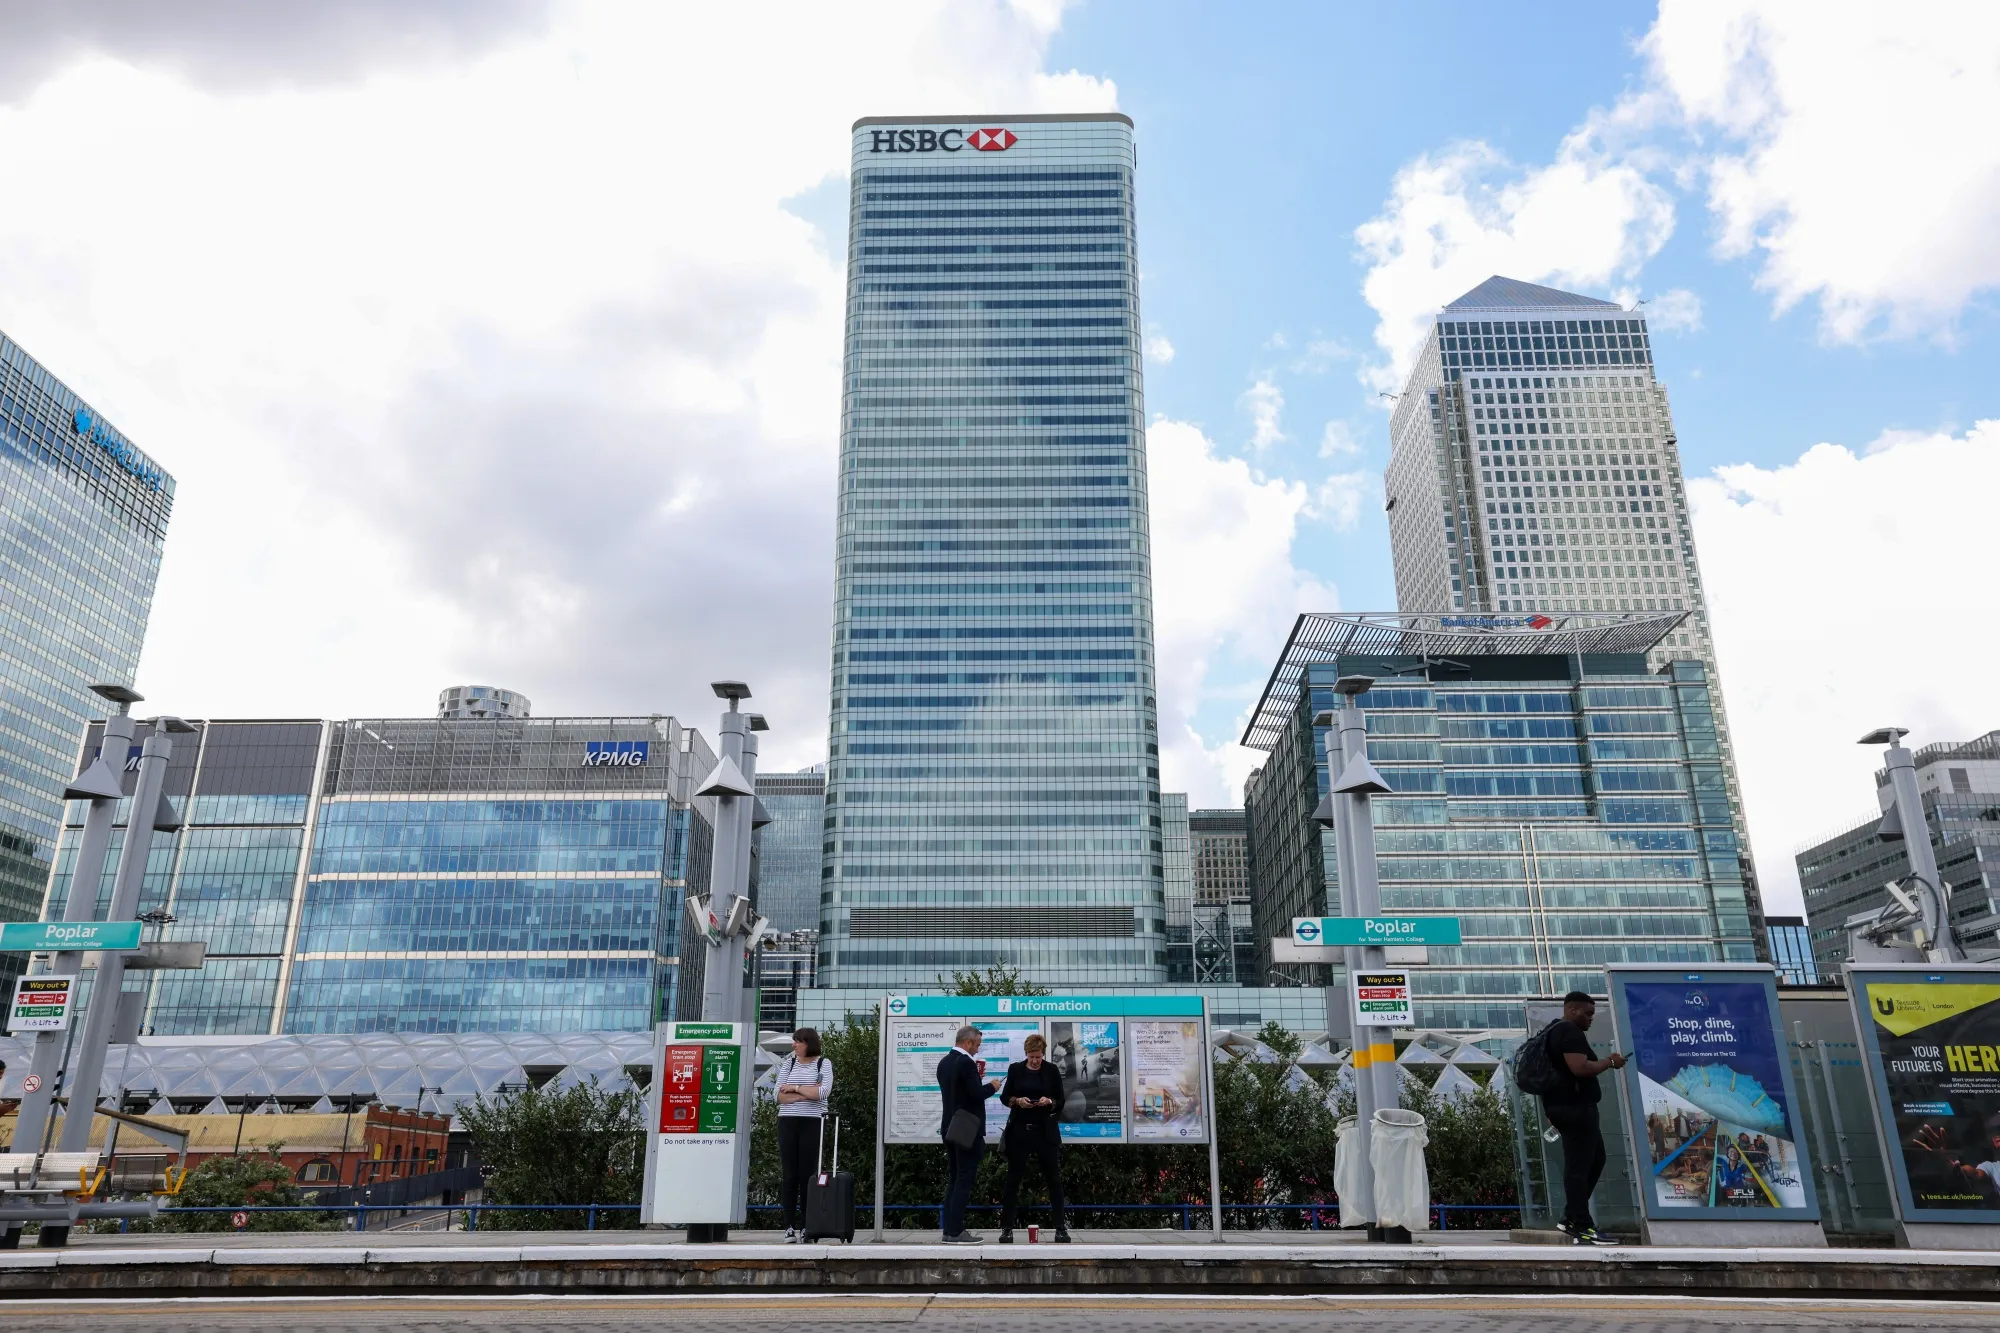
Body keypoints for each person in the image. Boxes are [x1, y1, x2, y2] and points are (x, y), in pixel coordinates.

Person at [1539, 991, 1626, 1245]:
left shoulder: (1553, 1031)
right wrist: (1610, 1061)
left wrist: (1551, 1110)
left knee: (1595, 1159)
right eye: (1587, 1013)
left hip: (1565, 1107)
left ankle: (1571, 1215)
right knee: (1579, 1166)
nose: (1591, 1018)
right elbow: (1580, 1068)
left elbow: (1553, 1075)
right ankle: (1582, 1225)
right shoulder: (1569, 1031)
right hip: (1576, 1109)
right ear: (1572, 1010)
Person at [997, 1033, 1070, 1244]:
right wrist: (1018, 1101)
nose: (1035, 1061)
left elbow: (1061, 1100)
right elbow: (1004, 1097)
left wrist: (1050, 1102)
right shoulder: (1015, 1069)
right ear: (1026, 1054)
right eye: (1031, 1057)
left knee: (1054, 1179)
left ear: (1043, 1054)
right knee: (1013, 1179)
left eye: (1038, 1057)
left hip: (1045, 1132)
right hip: (1020, 1131)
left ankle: (1060, 1228)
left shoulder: (1052, 1070)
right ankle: (1007, 1228)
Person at [936, 1024, 1000, 1243]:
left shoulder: (944, 1062)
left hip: (949, 1127)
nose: (977, 1049)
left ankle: (948, 1230)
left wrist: (976, 1079)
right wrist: (992, 1086)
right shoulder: (966, 1062)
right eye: (977, 1045)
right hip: (967, 1130)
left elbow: (958, 1093)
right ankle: (956, 1231)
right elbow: (976, 1094)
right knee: (964, 1179)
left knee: (954, 1178)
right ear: (968, 1042)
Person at [774, 1027, 833, 1242]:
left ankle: (807, 1225)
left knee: (808, 1175)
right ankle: (789, 1226)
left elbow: (822, 1092)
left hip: (813, 1122)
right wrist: (804, 1095)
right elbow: (778, 1096)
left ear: (809, 1043)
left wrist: (794, 1087)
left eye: (798, 1041)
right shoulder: (788, 1064)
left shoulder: (823, 1063)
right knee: (789, 1175)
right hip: (787, 1121)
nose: (794, 1045)